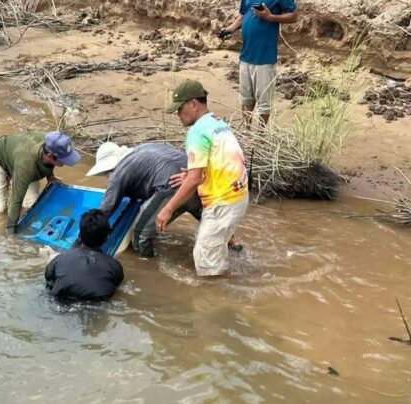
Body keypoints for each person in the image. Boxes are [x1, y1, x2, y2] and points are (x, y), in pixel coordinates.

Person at [156, 79, 249, 277]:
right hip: (238, 195)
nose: (178, 115)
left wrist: (167, 209)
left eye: (180, 109)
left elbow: (194, 180)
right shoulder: (217, 123)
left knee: (206, 265)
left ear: (194, 104)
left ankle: (222, 293)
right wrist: (194, 173)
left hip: (223, 201)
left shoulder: (197, 132)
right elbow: (221, 159)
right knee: (211, 251)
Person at [86, 142, 204, 257]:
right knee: (207, 221)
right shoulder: (143, 150)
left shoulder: (118, 172)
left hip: (173, 185)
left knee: (140, 235)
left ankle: (149, 262)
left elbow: (106, 208)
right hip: (195, 179)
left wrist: (84, 239)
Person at [0, 131, 81, 234]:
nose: (66, 161)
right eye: (63, 159)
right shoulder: (27, 166)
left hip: (20, 159)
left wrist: (50, 176)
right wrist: (11, 232)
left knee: (31, 206)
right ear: (50, 155)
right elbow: (16, 200)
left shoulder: (52, 142)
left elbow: (49, 163)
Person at [219, 0, 298, 128]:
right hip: (246, 56)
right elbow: (244, 15)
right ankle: (247, 131)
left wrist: (270, 17)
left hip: (265, 58)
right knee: (246, 99)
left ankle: (261, 133)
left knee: (264, 103)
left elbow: (294, 16)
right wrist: (229, 30)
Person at [45, 209, 124, 301]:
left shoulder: (59, 259)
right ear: (107, 237)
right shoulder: (115, 266)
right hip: (97, 305)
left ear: (79, 236)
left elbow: (48, 276)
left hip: (57, 302)